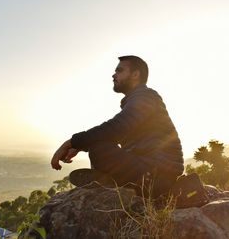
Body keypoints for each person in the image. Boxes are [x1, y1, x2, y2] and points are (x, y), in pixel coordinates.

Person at [51, 55, 184, 197]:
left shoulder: (146, 97)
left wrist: (71, 142)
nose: (114, 75)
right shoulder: (138, 99)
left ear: (135, 74)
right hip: (148, 169)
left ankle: (111, 182)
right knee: (100, 147)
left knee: (100, 149)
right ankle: (110, 181)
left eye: (119, 71)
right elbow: (114, 134)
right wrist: (80, 146)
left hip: (157, 176)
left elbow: (116, 128)